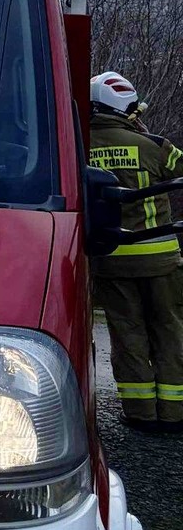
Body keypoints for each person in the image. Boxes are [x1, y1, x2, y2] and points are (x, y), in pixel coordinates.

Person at [88, 70, 183, 433]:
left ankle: (140, 413)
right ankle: (174, 413)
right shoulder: (153, 145)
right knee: (169, 331)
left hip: (111, 261)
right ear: (127, 108)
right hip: (159, 260)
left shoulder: (76, 145)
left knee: (127, 335)